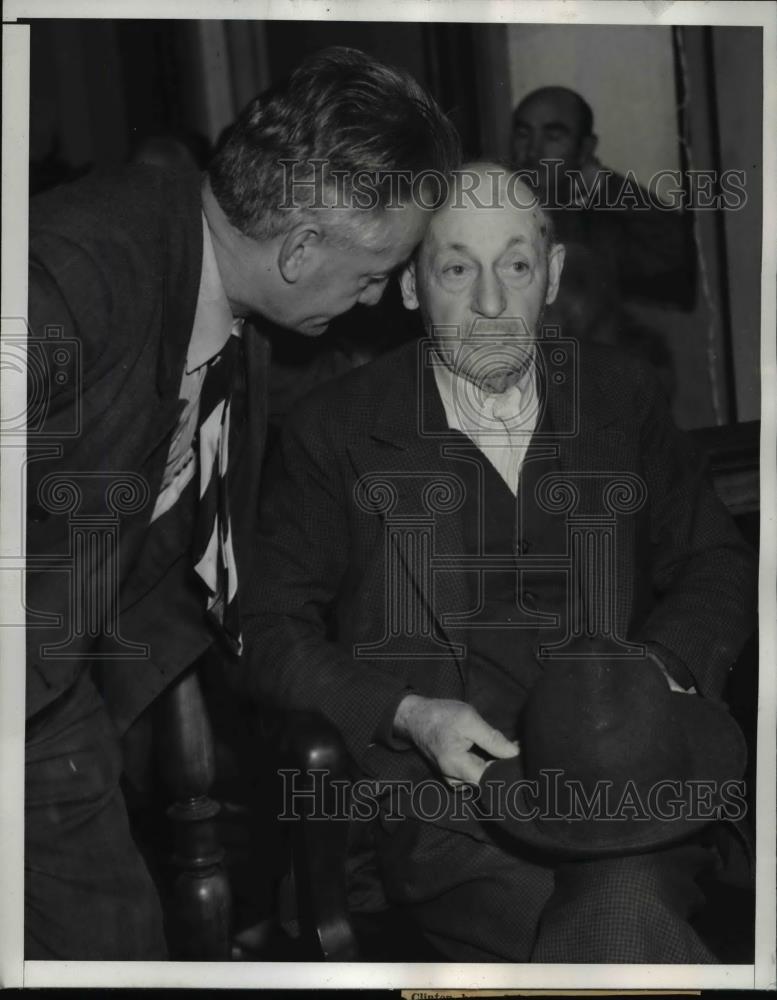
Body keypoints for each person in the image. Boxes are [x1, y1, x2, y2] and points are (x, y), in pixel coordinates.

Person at [239, 164, 756, 962]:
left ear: (548, 276)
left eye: (514, 266)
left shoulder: (620, 395)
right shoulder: (332, 431)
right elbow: (266, 629)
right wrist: (406, 713)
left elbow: (716, 564)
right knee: (619, 926)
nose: (488, 305)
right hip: (452, 814)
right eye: (455, 268)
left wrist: (653, 676)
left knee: (625, 903)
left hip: (632, 789)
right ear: (410, 286)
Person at [24, 46, 460, 960]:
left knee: (112, 950)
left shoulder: (229, 314)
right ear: (300, 250)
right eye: (376, 271)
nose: (379, 296)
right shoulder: (68, 274)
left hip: (49, 709)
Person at [511, 86, 695, 309]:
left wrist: (603, 183)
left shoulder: (599, 231)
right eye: (523, 134)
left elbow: (679, 248)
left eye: (553, 136)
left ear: (585, 148)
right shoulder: (489, 214)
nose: (533, 151)